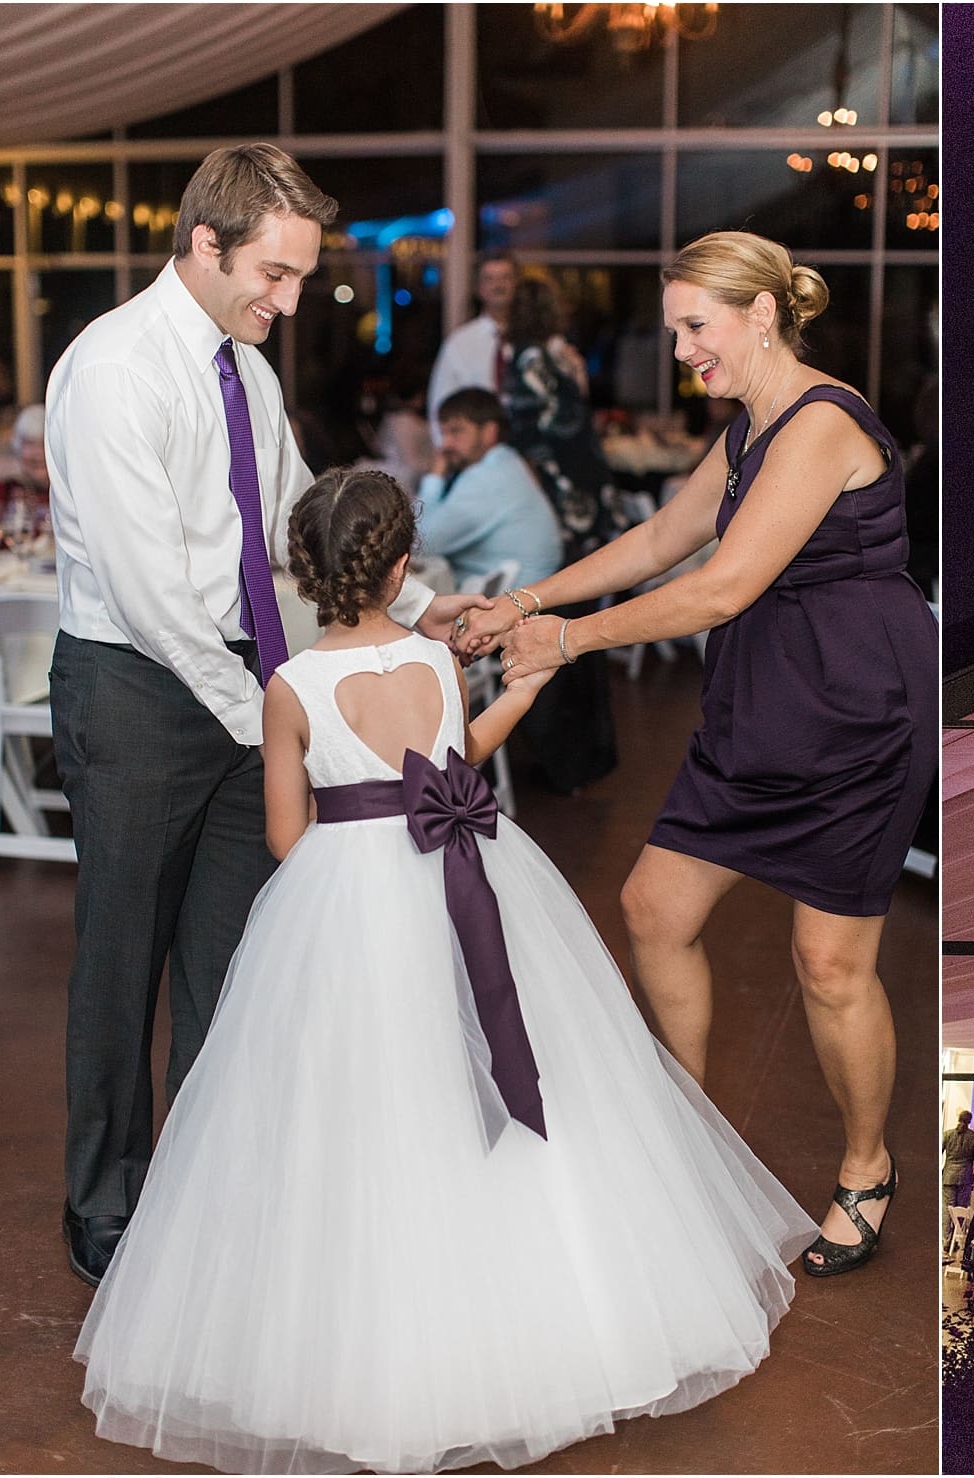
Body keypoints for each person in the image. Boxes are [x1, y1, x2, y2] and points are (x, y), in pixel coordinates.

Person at [74, 465, 816, 1474]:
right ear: (400, 568)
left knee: (358, 1092)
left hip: (343, 896)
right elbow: (457, 764)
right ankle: (539, 1294)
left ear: (305, 574)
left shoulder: (289, 687)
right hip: (461, 870)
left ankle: (374, 1328)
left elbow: (287, 836)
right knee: (491, 1057)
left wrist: (351, 845)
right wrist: (522, 694)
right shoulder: (432, 660)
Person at [46, 144, 482, 1289]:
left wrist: (417, 610)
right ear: (206, 242)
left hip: (244, 685)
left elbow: (294, 522)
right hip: (136, 691)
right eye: (275, 275)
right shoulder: (115, 369)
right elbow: (150, 595)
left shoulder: (248, 369)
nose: (289, 302)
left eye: (298, 277)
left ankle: (205, 1191)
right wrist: (273, 715)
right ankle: (105, 1203)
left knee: (231, 963)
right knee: (121, 960)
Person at [460, 232, 937, 1277]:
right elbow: (659, 540)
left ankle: (867, 1166)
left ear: (761, 314)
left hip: (860, 711)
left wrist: (570, 641)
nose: (681, 351)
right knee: (653, 907)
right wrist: (526, 601)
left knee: (829, 963)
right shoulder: (749, 424)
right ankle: (687, 1133)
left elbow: (723, 586)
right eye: (675, 329)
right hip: (762, 703)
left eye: (694, 326)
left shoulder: (822, 420)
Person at [500, 274, 619, 561]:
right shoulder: (533, 357)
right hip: (562, 466)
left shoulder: (529, 355)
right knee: (577, 551)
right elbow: (548, 418)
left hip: (559, 465)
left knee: (578, 549)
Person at [416, 387, 564, 591]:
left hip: (516, 603)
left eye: (456, 431)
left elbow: (420, 544)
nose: (445, 445)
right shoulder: (506, 462)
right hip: (526, 592)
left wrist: (434, 477)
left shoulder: (486, 478)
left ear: (489, 432)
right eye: (443, 433)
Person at [426, 249, 516, 436]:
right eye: (490, 279)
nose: (498, 285)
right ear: (479, 288)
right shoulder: (459, 343)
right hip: (475, 450)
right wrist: (448, 448)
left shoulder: (534, 339)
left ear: (516, 284)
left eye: (505, 278)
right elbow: (439, 406)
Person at [0, 402, 51, 553]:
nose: (38, 453)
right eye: (29, 444)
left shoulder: (70, 496)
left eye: (44, 443)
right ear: (18, 448)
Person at [942, 1110, 974, 1222]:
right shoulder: (973, 1137)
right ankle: (958, 1230)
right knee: (961, 1208)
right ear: (970, 1121)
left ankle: (946, 1232)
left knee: (947, 1207)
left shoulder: (947, 1134)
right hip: (965, 1176)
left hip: (949, 1175)